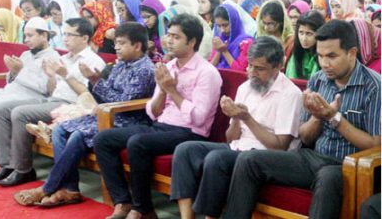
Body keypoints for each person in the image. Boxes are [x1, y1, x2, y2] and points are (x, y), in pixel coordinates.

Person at [223, 20, 381, 219]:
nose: (325, 63)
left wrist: (334, 118)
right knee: (249, 159)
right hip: (313, 157)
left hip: (347, 164)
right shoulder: (318, 79)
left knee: (328, 176)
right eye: (320, 56)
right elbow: (305, 138)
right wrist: (317, 116)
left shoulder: (374, 87)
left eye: (332, 56)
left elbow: (376, 145)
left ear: (351, 53)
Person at [12, 22, 154, 206]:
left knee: (78, 135)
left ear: (137, 45)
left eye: (121, 43)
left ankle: (49, 188)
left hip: (128, 120)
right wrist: (95, 83)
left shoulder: (145, 69)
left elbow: (123, 101)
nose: (116, 47)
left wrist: (95, 80)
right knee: (60, 129)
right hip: (106, 113)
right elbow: (105, 96)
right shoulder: (121, 66)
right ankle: (70, 189)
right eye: (116, 42)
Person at [95, 14, 222, 219]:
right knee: (103, 139)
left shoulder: (207, 73)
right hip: (161, 126)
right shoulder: (168, 66)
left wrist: (172, 91)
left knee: (138, 142)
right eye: (168, 35)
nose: (169, 40)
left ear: (192, 41)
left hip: (189, 133)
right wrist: (162, 90)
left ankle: (143, 209)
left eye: (176, 37)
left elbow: (198, 119)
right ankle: (123, 201)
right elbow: (152, 112)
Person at [170, 36, 303, 219]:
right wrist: (236, 118)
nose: (252, 73)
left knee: (217, 158)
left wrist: (246, 118)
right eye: (250, 66)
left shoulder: (291, 94)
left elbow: (280, 146)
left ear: (279, 66)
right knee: (185, 150)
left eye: (260, 69)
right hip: (237, 148)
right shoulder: (245, 87)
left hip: (263, 156)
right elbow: (230, 138)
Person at [0, 18, 106, 187]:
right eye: (64, 34)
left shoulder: (93, 61)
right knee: (1, 109)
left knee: (19, 113)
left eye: (70, 35)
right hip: (52, 99)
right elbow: (51, 90)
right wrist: (51, 75)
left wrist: (66, 75)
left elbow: (90, 98)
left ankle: (23, 169)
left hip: (71, 104)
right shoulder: (64, 58)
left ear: (84, 38)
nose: (65, 39)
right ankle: (6, 164)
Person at [0, 17, 60, 168]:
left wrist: (19, 71)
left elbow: (46, 89)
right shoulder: (26, 54)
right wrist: (12, 71)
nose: (26, 40)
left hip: (32, 98)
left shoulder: (53, 58)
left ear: (44, 36)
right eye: (25, 36)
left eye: (30, 36)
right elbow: (11, 80)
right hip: (12, 93)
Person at [210, 4, 254, 71]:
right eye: (219, 26)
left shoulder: (246, 42)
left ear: (234, 22)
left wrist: (225, 51)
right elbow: (210, 68)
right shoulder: (219, 40)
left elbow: (240, 70)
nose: (222, 30)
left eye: (225, 25)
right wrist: (219, 51)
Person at [286, 11, 326, 80]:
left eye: (309, 33)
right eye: (301, 33)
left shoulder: (325, 54)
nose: (304, 39)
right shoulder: (294, 50)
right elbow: (290, 78)